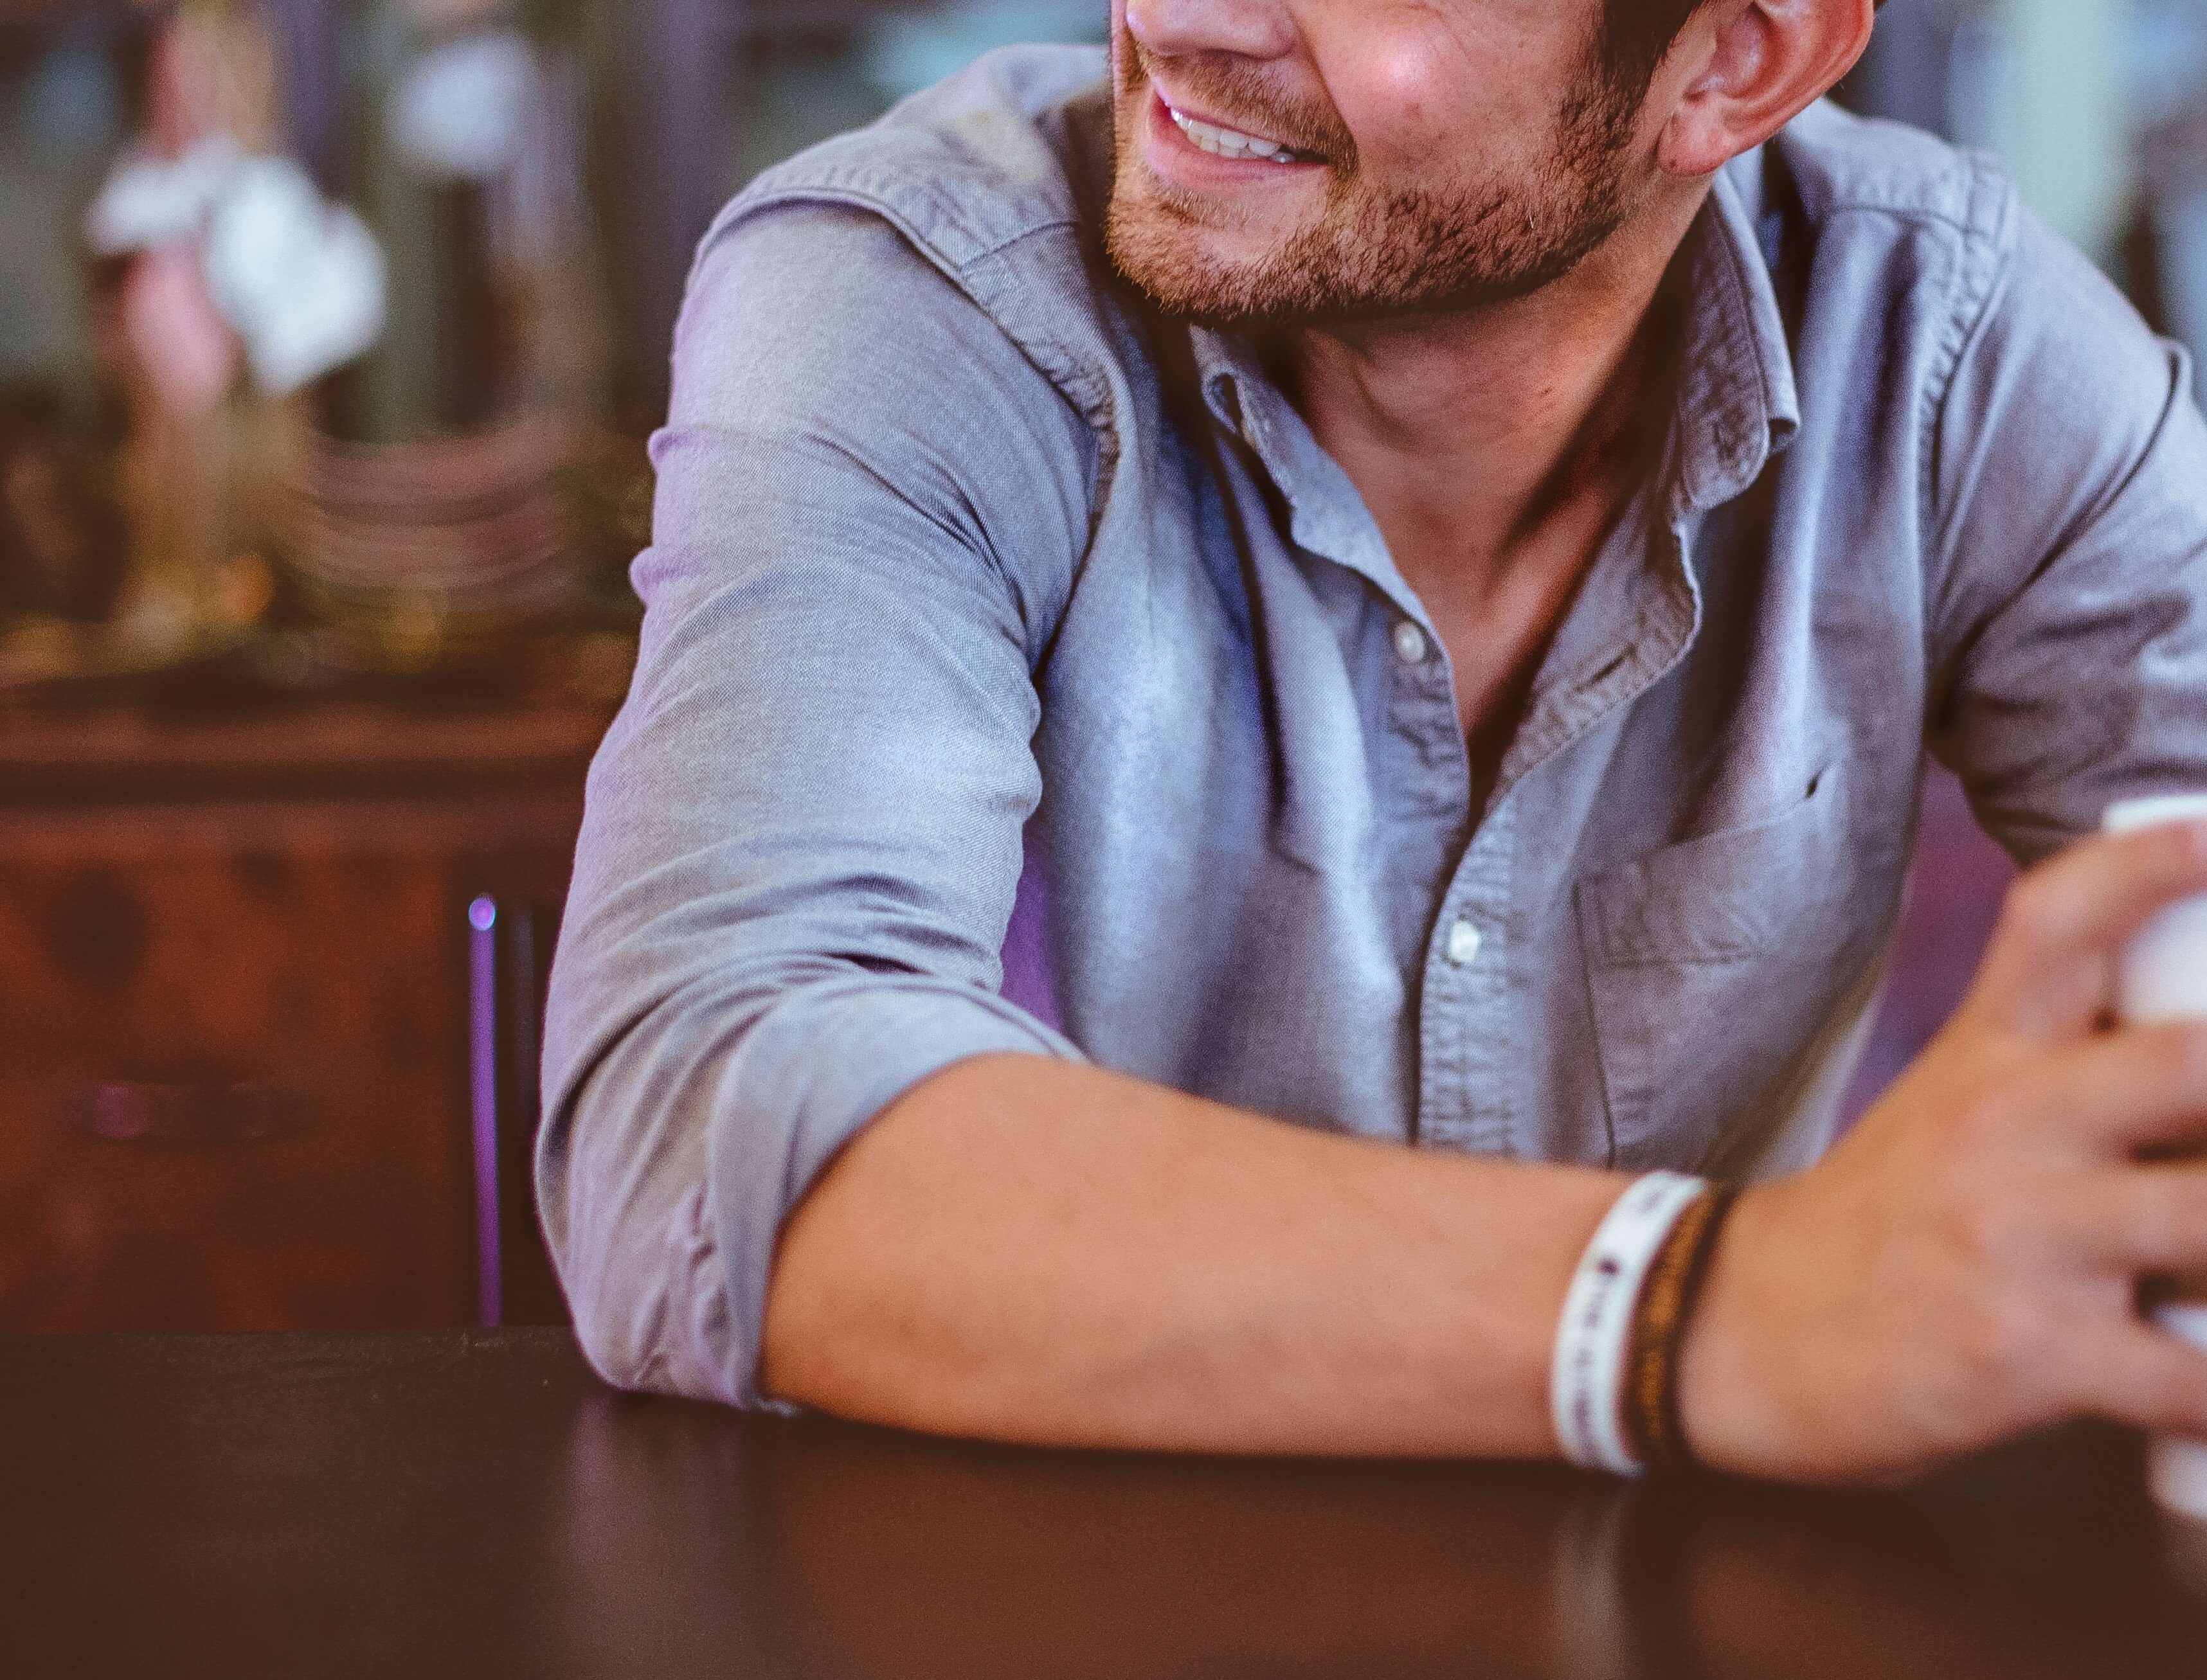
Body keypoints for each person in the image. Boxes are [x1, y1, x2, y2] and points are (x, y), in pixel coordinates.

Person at [539, 0, 2207, 1486]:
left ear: (1728, 61)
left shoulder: (1943, 340)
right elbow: (705, 1126)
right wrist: (1703, 1307)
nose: (1174, 19)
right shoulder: (922, 292)